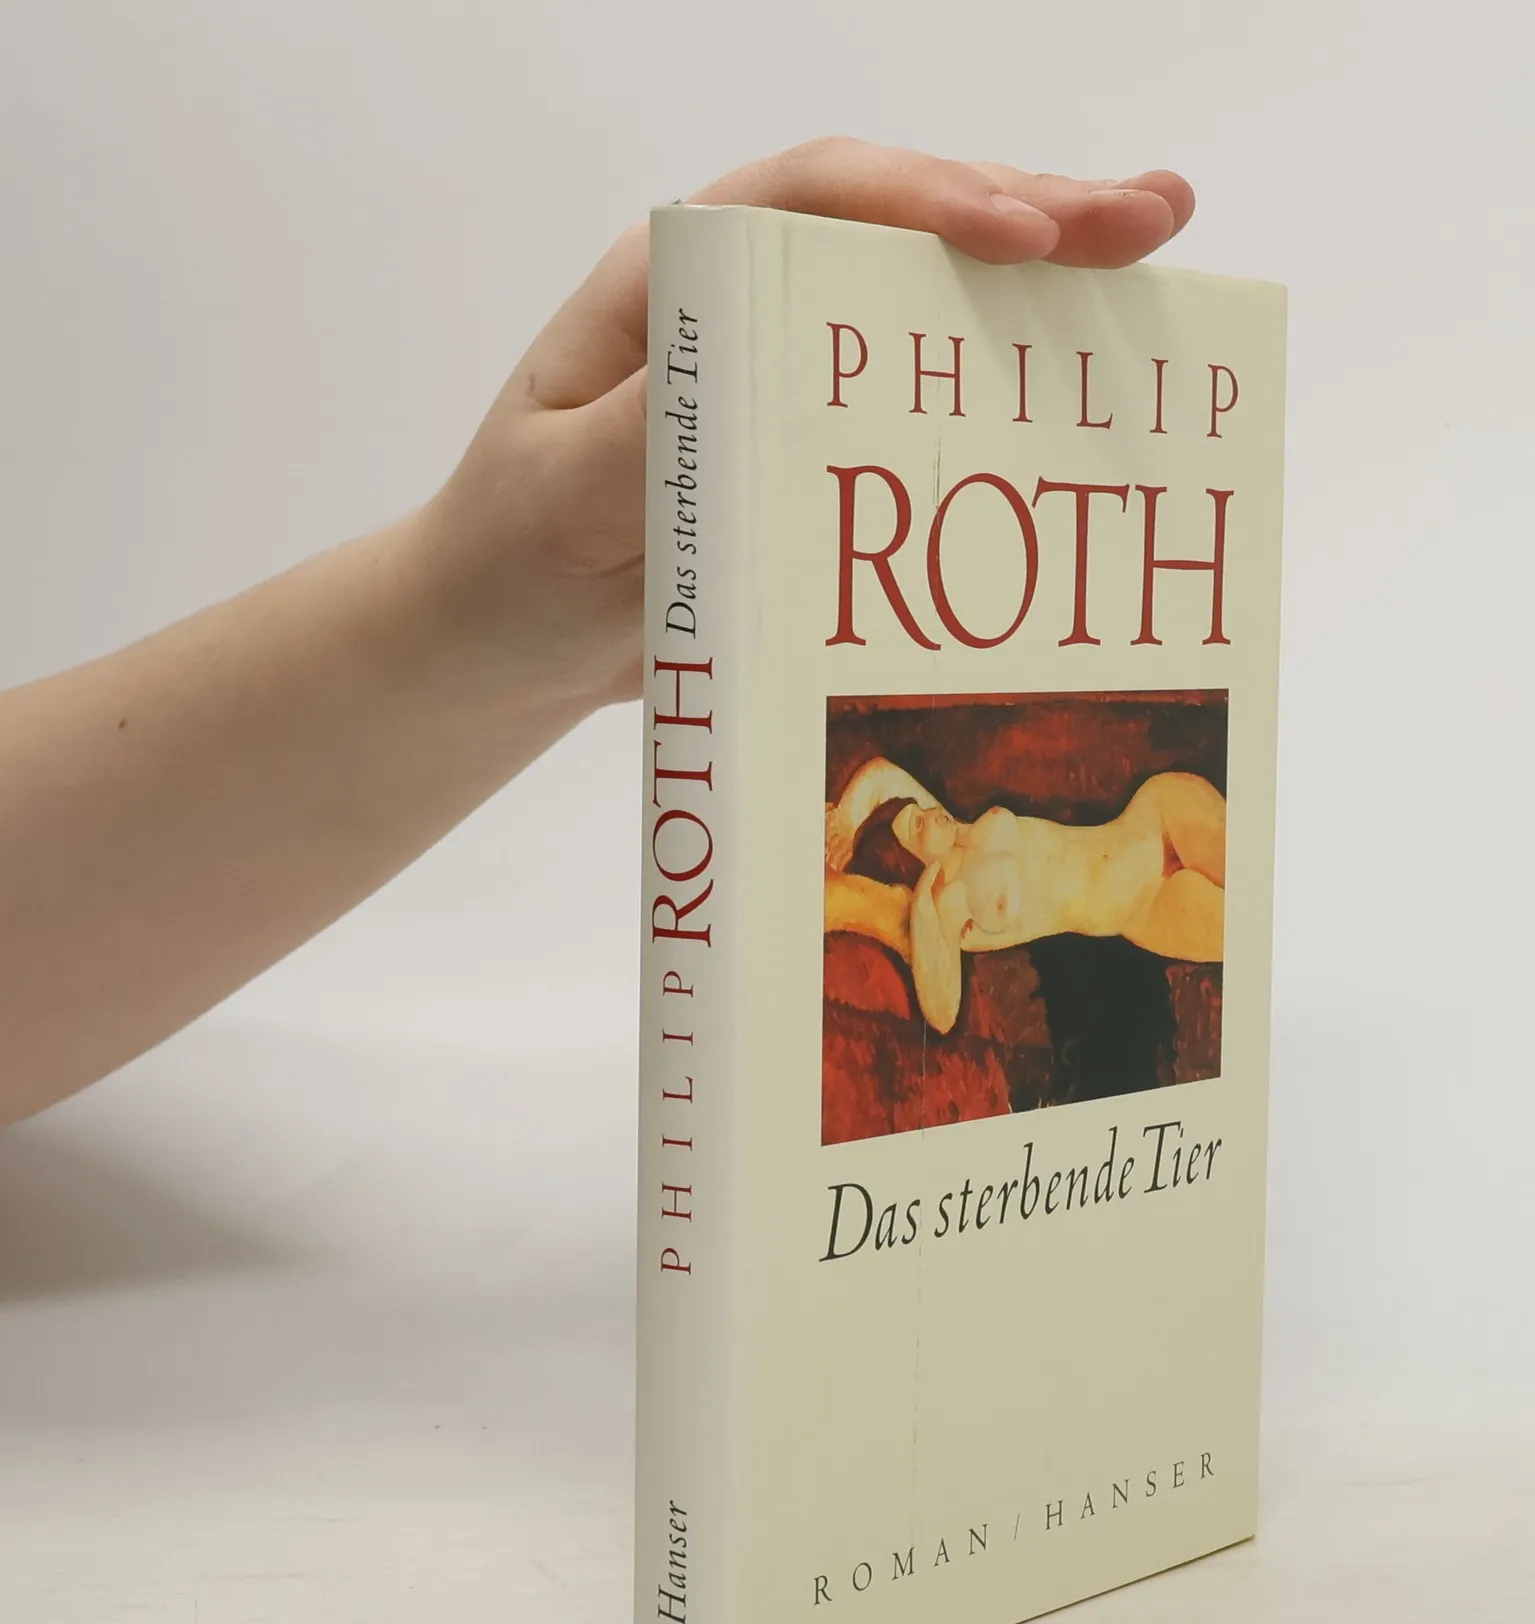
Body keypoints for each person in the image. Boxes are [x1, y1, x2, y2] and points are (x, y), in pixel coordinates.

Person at [0, 140, 1195, 1129]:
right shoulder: (942, 891)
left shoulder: (958, 839)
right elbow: (931, 977)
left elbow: (890, 801)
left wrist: (476, 610)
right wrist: (889, 894)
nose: (937, 848)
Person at [825, 755, 1226, 1033]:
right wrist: (923, 911)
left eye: (924, 809)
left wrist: (846, 817)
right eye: (919, 824)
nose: (931, 812)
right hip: (1144, 908)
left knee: (1259, 875)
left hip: (1154, 816)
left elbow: (884, 777)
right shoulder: (952, 909)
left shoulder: (963, 830)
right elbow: (942, 1014)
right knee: (1254, 933)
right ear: (918, 862)